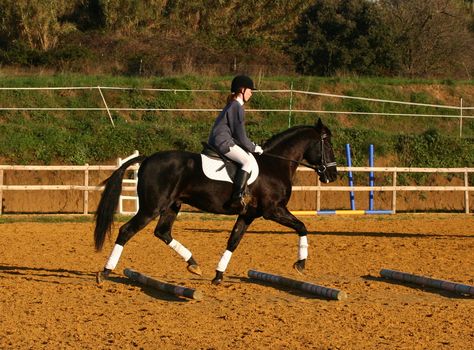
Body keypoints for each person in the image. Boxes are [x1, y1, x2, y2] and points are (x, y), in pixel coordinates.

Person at [208, 75, 263, 211]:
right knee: (248, 162)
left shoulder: (232, 105)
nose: (251, 93)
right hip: (223, 141)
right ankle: (236, 198)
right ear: (242, 90)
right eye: (250, 90)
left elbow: (238, 136)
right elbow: (240, 135)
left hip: (221, 140)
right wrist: (253, 147)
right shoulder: (236, 107)